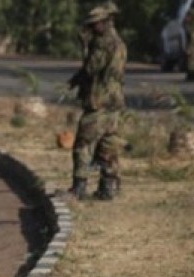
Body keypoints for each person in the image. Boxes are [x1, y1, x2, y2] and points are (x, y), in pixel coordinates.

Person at [66, 5, 126, 201]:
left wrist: (85, 46)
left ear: (105, 22)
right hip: (114, 101)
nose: (92, 28)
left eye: (95, 24)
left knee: (83, 143)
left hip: (99, 101)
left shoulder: (102, 43)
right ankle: (108, 188)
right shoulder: (119, 43)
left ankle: (79, 188)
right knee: (108, 145)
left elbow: (91, 68)